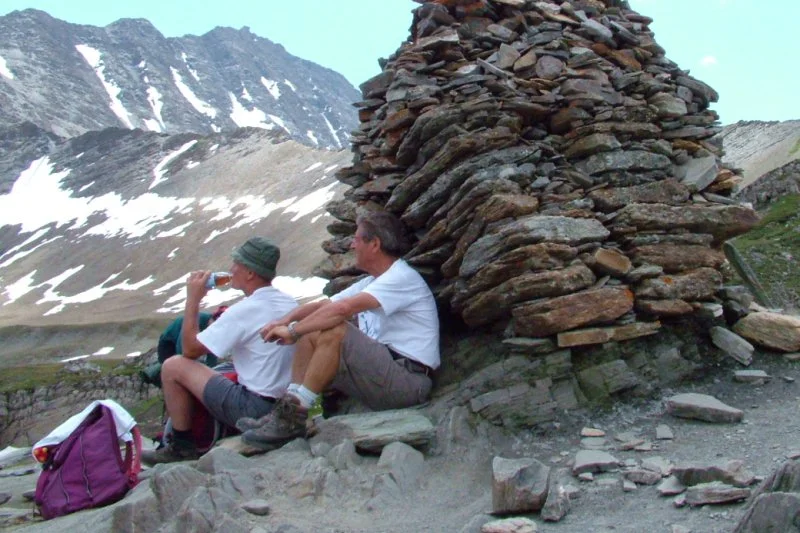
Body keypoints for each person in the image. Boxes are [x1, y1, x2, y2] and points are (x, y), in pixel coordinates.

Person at [239, 211, 440, 448]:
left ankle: (294, 416)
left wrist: (294, 332)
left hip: (409, 381)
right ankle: (295, 414)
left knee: (335, 328)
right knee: (315, 326)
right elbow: (325, 305)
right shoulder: (374, 281)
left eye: (357, 239)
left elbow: (343, 309)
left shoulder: (401, 277)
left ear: (374, 244)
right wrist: (284, 322)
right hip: (390, 372)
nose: (352, 244)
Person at [141, 237, 297, 465]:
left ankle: (181, 446)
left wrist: (193, 300)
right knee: (225, 369)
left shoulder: (245, 309)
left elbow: (190, 350)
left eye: (236, 264)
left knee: (173, 366)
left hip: (254, 407)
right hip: (285, 405)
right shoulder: (289, 303)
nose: (231, 269)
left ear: (250, 273)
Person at [140, 306, 228, 387]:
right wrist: (183, 363)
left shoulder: (213, 330)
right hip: (168, 342)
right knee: (169, 368)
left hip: (179, 344)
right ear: (213, 318)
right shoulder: (197, 320)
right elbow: (181, 343)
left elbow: (211, 350)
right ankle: (150, 373)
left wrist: (212, 372)